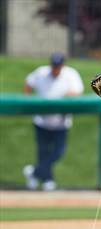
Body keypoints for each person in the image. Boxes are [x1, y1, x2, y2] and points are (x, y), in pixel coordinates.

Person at [23, 52, 84, 191]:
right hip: (42, 121)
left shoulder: (70, 74)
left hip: (61, 122)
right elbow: (28, 83)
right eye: (54, 65)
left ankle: (33, 172)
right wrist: (28, 101)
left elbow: (78, 92)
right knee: (43, 152)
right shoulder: (41, 72)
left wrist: (65, 97)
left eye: (58, 65)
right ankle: (47, 180)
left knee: (58, 152)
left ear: (62, 65)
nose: (56, 68)